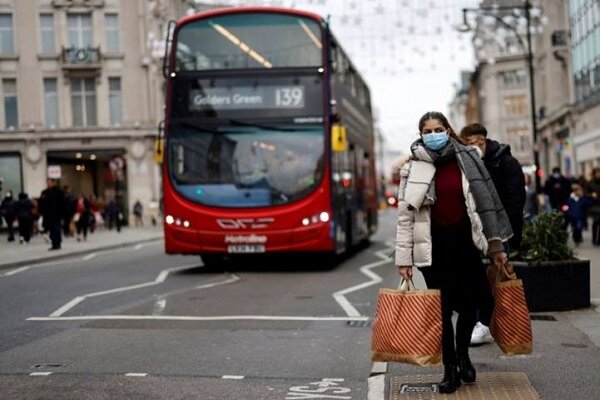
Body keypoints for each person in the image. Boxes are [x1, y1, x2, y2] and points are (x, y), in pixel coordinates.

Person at [395, 112, 512, 394]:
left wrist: (496, 248)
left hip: (466, 244)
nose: (432, 134)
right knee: (443, 311)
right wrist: (403, 260)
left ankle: (463, 355)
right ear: (420, 134)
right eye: (427, 130)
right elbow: (404, 217)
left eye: (438, 129)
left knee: (472, 306)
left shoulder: (468, 159)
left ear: (448, 130)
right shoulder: (413, 168)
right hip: (433, 249)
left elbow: (488, 205)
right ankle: (450, 368)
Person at [459, 123, 526, 345]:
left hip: (500, 231)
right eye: (467, 143)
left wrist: (510, 234)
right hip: (476, 230)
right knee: (478, 279)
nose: (472, 146)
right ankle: (483, 321)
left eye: (475, 142)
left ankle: (494, 322)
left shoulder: (506, 162)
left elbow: (516, 201)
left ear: (483, 140)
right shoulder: (467, 164)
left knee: (499, 278)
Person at [39, 178, 64, 250]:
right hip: (47, 215)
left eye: (50, 182)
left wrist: (61, 213)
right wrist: (42, 211)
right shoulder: (44, 192)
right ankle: (54, 243)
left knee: (56, 229)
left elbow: (62, 203)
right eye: (47, 182)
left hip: (56, 214)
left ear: (54, 183)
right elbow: (41, 202)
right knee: (51, 229)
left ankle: (57, 243)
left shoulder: (58, 192)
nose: (48, 184)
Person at [586, 167, 600, 246]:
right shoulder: (590, 183)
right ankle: (594, 239)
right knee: (596, 221)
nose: (599, 174)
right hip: (594, 205)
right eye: (597, 173)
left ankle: (599, 240)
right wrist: (591, 195)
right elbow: (586, 193)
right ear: (594, 174)